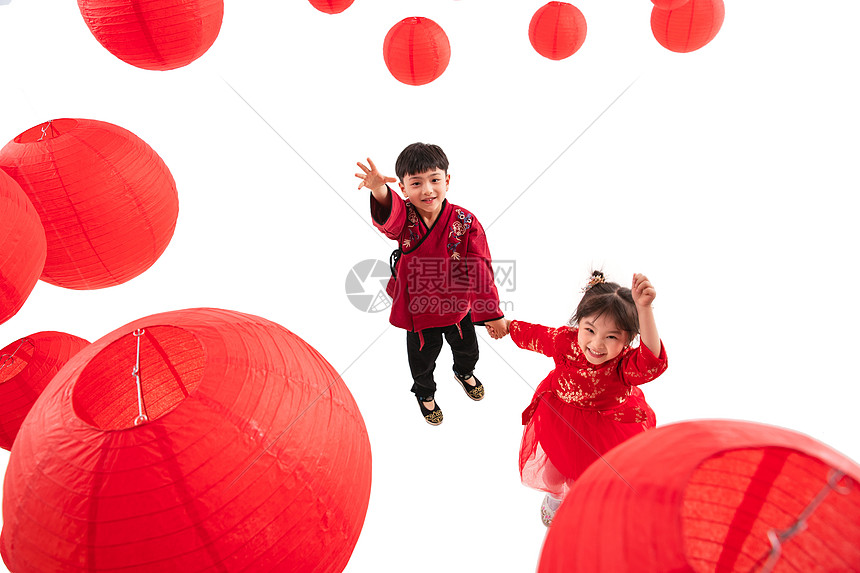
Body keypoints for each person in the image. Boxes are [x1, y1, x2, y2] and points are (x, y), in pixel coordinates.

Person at [492, 271, 667, 526]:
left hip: (604, 431)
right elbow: (536, 335)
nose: (597, 344)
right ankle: (555, 496)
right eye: (590, 330)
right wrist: (507, 326)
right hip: (560, 419)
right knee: (553, 473)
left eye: (612, 336)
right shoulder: (565, 341)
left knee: (588, 480)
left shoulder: (624, 365)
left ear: (628, 340)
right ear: (579, 323)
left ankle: (582, 504)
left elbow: (652, 362)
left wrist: (645, 310)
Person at [355, 143, 507, 426]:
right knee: (422, 360)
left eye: (435, 180)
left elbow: (480, 267)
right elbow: (392, 219)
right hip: (418, 310)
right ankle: (425, 394)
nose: (427, 190)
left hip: (458, 306)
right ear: (403, 188)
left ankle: (464, 373)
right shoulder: (405, 219)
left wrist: (492, 314)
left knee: (468, 351)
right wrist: (378, 190)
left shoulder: (465, 221)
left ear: (447, 181)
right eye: (416, 183)